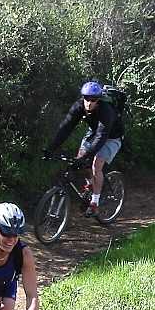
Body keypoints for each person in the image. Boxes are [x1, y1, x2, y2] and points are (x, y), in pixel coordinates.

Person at [45, 81, 124, 217]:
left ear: (98, 100)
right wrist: (51, 148)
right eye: (86, 98)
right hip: (94, 132)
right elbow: (65, 128)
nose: (89, 102)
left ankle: (94, 203)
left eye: (93, 100)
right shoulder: (79, 106)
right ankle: (91, 185)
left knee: (96, 165)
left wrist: (85, 157)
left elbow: (101, 138)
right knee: (81, 162)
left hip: (112, 137)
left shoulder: (106, 111)